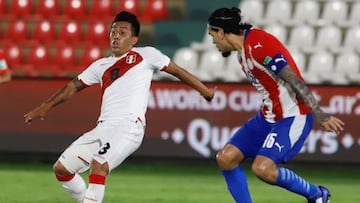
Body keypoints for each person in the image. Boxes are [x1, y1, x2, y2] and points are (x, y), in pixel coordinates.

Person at [24, 11, 216, 203]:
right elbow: (72, 87)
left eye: (122, 32)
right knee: (62, 169)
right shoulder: (100, 65)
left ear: (134, 39)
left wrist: (204, 91)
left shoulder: (146, 55)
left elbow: (177, 71)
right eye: (113, 31)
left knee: (99, 165)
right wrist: (45, 107)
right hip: (103, 128)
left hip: (129, 126)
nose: (115, 36)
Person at [207, 7, 344, 203]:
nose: (213, 41)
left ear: (221, 32)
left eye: (213, 35)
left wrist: (320, 114)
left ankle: (316, 194)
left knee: (262, 169)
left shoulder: (259, 45)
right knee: (225, 158)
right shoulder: (242, 52)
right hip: (268, 116)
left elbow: (293, 79)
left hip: (294, 115)